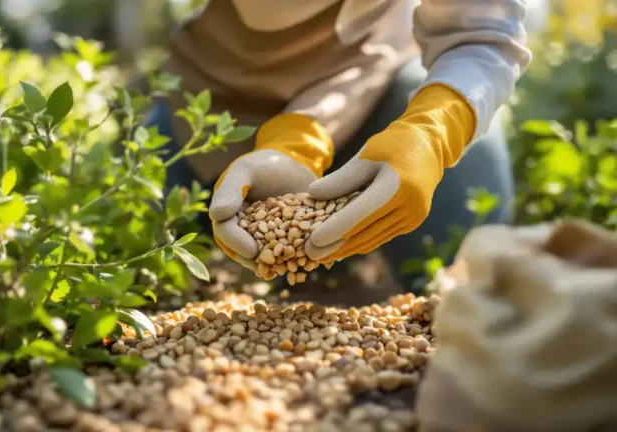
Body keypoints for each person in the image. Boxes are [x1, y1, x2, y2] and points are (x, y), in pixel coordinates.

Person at [145, 0, 531, 290]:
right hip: (219, 103)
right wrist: (294, 146)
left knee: (466, 246)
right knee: (155, 228)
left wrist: (430, 132)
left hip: (379, 85)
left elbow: (483, 30)